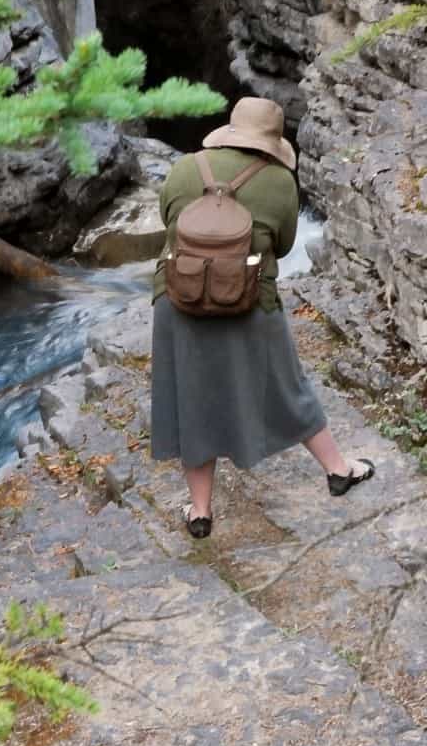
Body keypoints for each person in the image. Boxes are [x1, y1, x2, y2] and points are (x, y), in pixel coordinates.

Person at [151, 96, 374, 539]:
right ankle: (338, 469)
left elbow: (169, 219)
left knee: (190, 396)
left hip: (178, 298)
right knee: (285, 384)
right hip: (250, 302)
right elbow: (285, 245)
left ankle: (199, 511)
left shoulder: (185, 168)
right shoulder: (279, 181)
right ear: (272, 142)